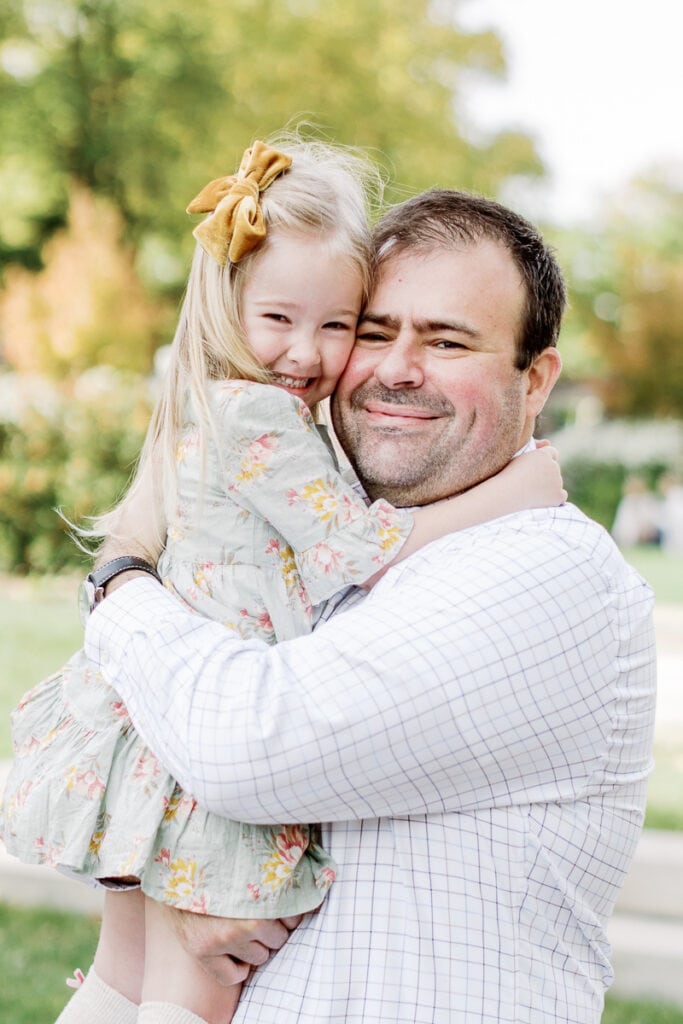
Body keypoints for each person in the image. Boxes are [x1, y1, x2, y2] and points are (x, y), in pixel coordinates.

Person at [0, 143, 564, 1024]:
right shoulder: (258, 417)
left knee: (125, 975)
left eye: (339, 324)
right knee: (196, 990)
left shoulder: (226, 406)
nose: (307, 352)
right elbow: (353, 549)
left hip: (151, 722)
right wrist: (513, 491)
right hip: (193, 745)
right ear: (225, 307)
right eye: (278, 319)